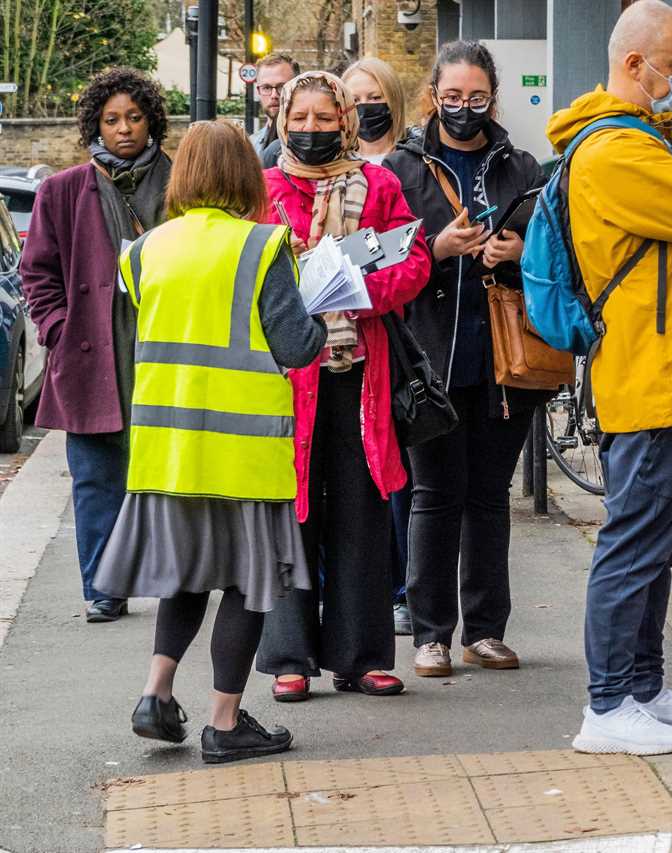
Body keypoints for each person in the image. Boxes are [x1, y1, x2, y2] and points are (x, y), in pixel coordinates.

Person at [544, 0, 672, 755]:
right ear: (634, 66)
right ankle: (606, 707)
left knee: (658, 545)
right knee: (634, 543)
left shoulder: (640, 144)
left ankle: (643, 686)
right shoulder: (615, 155)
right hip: (653, 375)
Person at [95, 120, 325, 764]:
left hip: (168, 452)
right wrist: (318, 309)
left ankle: (156, 694)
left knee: (185, 578)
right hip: (242, 453)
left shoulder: (143, 252)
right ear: (245, 177)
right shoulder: (261, 246)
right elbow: (295, 345)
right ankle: (225, 723)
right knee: (247, 587)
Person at [255, 71, 431, 702]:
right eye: (299, 118)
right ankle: (288, 658)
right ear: (283, 120)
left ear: (345, 120)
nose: (311, 129)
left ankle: (361, 656)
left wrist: (359, 291)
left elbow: (411, 259)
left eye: (325, 118)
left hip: (362, 375)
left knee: (360, 513)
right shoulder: (265, 187)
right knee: (291, 511)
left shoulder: (380, 184)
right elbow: (248, 271)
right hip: (286, 378)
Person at [384, 40, 547, 679]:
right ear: (432, 95)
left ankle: (486, 630)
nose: (463, 108)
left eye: (476, 98)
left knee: (489, 495)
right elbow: (382, 260)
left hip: (506, 360)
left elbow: (555, 250)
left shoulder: (521, 165)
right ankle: (430, 635)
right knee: (434, 495)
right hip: (430, 362)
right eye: (452, 97)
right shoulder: (402, 169)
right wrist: (437, 246)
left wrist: (519, 252)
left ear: (493, 97)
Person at [20, 67, 172, 624]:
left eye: (134, 117)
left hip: (161, 350)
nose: (124, 129)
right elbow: (37, 272)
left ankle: (173, 578)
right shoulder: (62, 190)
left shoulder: (179, 183)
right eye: (112, 120)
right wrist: (58, 331)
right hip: (89, 352)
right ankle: (102, 587)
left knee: (164, 476)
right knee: (95, 480)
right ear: (96, 126)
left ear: (151, 120)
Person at [342, 57, 413, 634]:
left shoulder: (406, 168)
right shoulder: (319, 172)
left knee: (398, 476)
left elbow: (409, 251)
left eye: (374, 96)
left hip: (403, 335)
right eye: (355, 97)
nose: (366, 106)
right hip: (339, 345)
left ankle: (402, 588)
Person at [250, 53, 300, 161]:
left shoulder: (310, 143)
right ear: (258, 91)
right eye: (266, 88)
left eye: (282, 87)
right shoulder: (250, 146)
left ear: (298, 89)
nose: (274, 95)